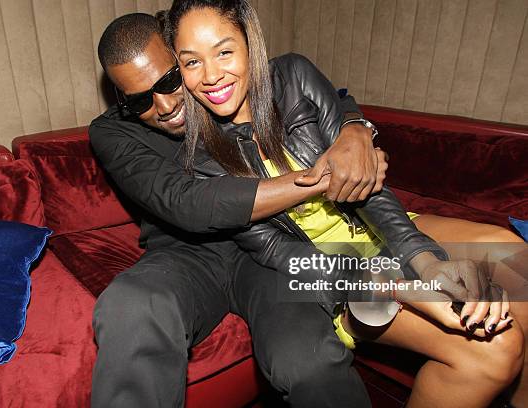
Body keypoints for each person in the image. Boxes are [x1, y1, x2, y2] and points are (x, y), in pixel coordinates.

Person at [166, 0, 526, 406]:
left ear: (251, 43)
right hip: (332, 271)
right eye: (191, 62)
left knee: (517, 261)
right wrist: (401, 285)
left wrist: (428, 264)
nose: (211, 76)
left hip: (374, 227)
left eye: (224, 51)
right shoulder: (199, 160)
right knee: (497, 349)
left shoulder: (294, 76)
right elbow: (275, 249)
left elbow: (364, 180)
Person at [90, 12, 390, 407]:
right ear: (120, 99)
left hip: (269, 245)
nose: (164, 105)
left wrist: (354, 127)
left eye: (168, 80)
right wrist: (327, 174)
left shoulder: (218, 88)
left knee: (306, 358)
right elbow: (186, 203)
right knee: (131, 303)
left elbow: (300, 86)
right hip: (186, 258)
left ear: (185, 59)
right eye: (140, 100)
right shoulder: (112, 132)